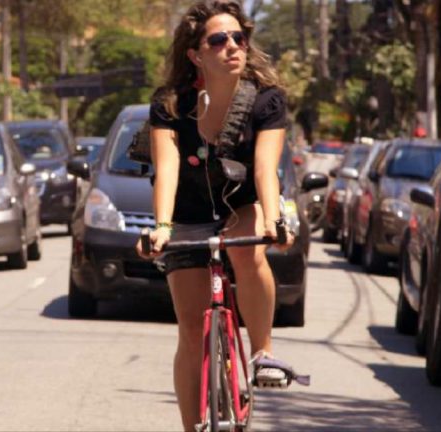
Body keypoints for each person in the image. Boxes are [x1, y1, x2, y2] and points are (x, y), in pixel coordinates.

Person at [134, 1, 294, 429]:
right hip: (187, 214)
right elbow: (167, 169)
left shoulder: (266, 100)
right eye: (219, 40)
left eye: (239, 38)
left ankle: (262, 353)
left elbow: (265, 169)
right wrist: (161, 228)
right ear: (195, 54)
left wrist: (274, 221)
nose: (232, 46)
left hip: (242, 205)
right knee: (190, 332)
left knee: (246, 250)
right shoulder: (170, 104)